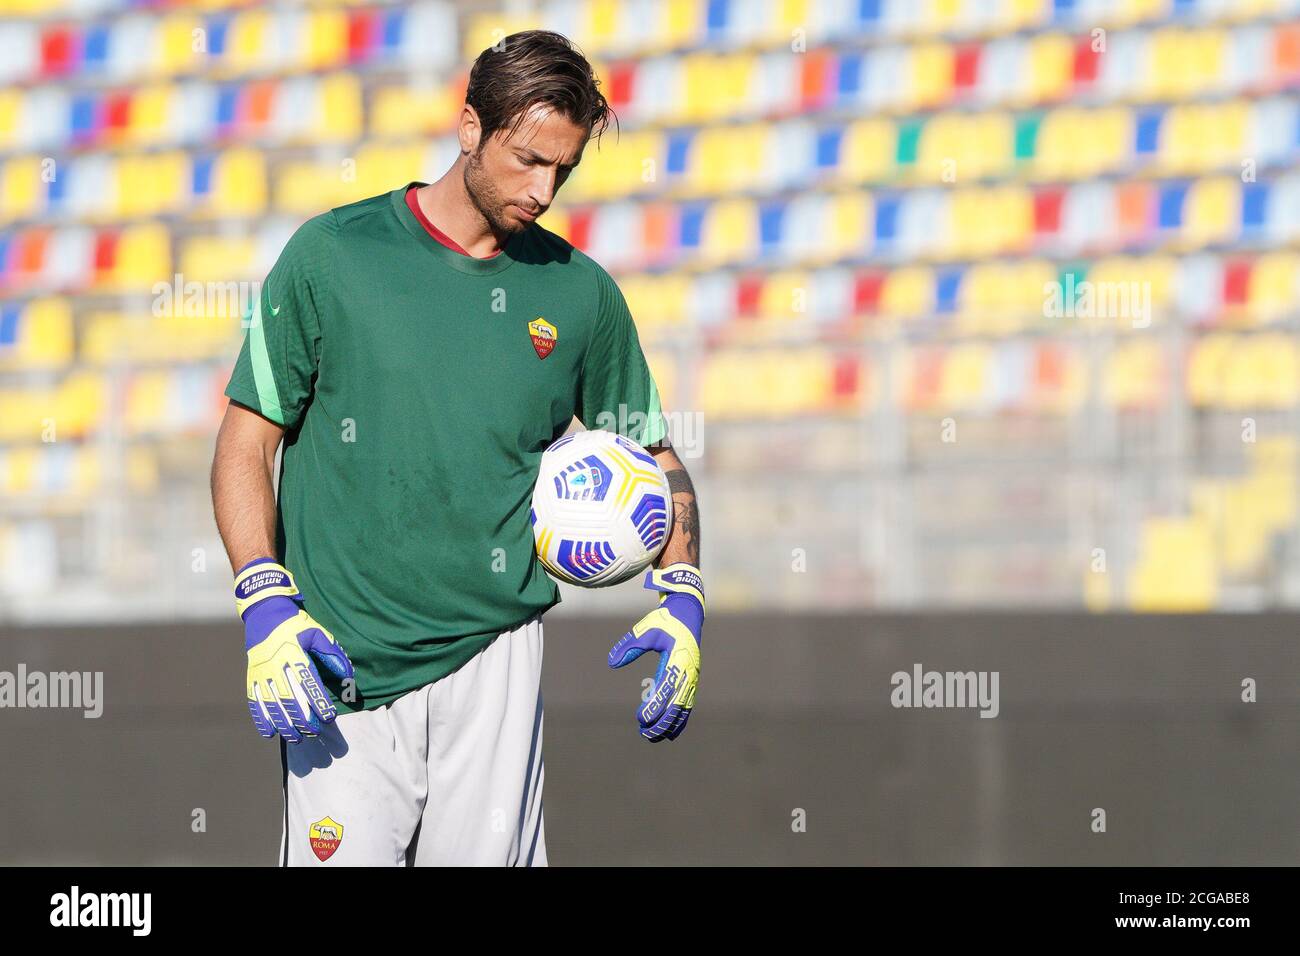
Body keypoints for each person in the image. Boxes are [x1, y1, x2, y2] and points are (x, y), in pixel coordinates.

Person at [210, 30, 704, 866]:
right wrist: (263, 601)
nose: (544, 190)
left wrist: (684, 594)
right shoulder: (333, 256)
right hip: (341, 663)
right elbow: (245, 443)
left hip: (497, 665)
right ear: (470, 126)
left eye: (564, 170)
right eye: (527, 159)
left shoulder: (580, 293)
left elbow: (656, 457)